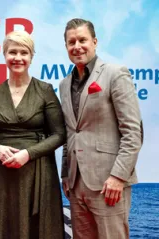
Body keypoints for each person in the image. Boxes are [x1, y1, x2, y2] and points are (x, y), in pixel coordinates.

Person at [0, 30, 66, 239]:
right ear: (4, 55)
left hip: (38, 173)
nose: (18, 58)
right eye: (12, 52)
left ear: (31, 56)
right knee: (1, 227)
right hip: (2, 173)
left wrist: (28, 154)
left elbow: (59, 134)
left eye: (24, 53)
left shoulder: (45, 90)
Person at [59, 18, 143, 239]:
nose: (77, 46)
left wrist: (118, 177)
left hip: (109, 184)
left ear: (95, 42)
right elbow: (70, 134)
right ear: (66, 47)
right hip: (76, 185)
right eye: (71, 42)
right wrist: (65, 175)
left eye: (82, 40)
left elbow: (133, 132)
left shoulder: (115, 73)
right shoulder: (64, 84)